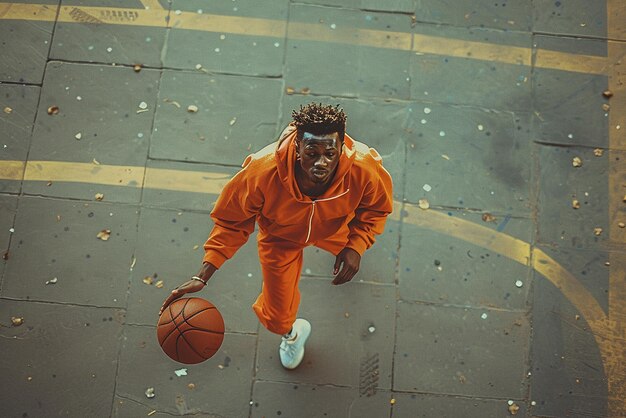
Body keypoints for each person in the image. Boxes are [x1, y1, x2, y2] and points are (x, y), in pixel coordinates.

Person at [159, 103, 393, 369]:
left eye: (330, 153)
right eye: (311, 153)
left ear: (341, 149)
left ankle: (346, 250)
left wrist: (357, 246)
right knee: (278, 315)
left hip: (336, 225)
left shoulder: (363, 168)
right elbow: (231, 222)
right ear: (296, 149)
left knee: (351, 254)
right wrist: (202, 274)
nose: (321, 162)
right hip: (281, 239)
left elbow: (375, 209)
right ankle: (292, 334)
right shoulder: (262, 172)